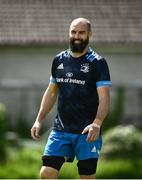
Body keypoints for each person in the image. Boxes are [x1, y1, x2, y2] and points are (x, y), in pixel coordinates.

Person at [31, 17, 111, 179]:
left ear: (90, 34)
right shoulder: (59, 59)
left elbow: (104, 98)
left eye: (81, 32)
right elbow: (51, 92)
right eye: (73, 32)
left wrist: (97, 123)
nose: (77, 36)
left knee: (86, 177)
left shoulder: (98, 63)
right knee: (47, 172)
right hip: (61, 130)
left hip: (87, 132)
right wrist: (39, 119)